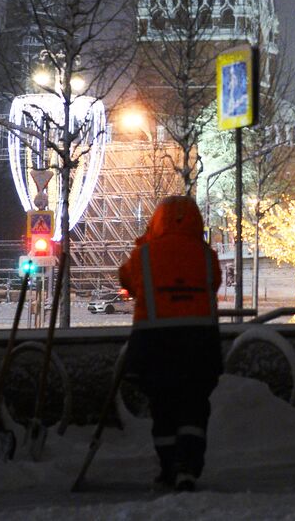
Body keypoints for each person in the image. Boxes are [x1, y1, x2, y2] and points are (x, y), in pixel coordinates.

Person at [117, 195, 221, 492]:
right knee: (194, 405)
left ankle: (167, 466)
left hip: (155, 344)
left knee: (163, 406)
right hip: (199, 342)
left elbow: (126, 279)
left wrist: (144, 245)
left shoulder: (144, 255)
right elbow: (213, 283)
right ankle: (188, 465)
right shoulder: (206, 255)